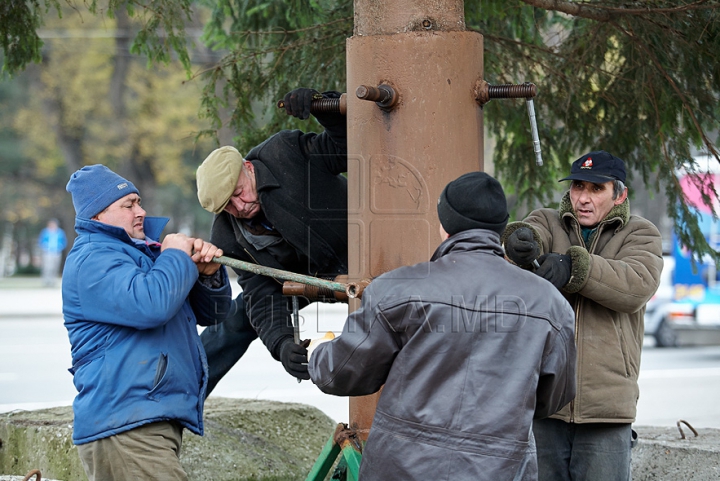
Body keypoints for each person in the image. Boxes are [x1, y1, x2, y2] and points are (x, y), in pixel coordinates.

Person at [307, 172, 578, 480]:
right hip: (500, 470)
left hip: (403, 470)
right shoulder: (550, 304)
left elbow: (342, 373)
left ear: (444, 225)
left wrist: (317, 353)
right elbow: (553, 398)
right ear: (501, 228)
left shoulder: (398, 288)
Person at [62, 164, 232, 481]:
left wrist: (207, 277)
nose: (140, 212)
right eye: (128, 205)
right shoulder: (93, 259)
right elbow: (151, 305)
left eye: (139, 202)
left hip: (144, 418)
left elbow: (213, 316)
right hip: (125, 425)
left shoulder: (140, 254)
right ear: (97, 215)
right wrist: (175, 256)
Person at [502, 151, 663, 481]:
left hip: (606, 409)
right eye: (578, 187)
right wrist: (519, 241)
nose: (583, 199)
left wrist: (573, 267)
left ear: (620, 194)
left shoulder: (640, 233)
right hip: (545, 403)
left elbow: (636, 285)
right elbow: (529, 233)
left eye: (596, 189)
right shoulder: (549, 221)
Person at [195, 87, 347, 393]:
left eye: (238, 193)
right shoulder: (227, 233)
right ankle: (178, 391)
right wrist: (281, 345)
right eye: (228, 206)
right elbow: (263, 294)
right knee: (238, 318)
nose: (239, 208)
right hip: (311, 277)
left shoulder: (285, 153)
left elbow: (343, 151)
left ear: (248, 168)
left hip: (366, 247)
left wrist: (324, 108)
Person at [38, 218, 67, 286]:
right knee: (47, 267)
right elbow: (41, 241)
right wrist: (45, 246)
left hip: (56, 252)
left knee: (55, 267)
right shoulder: (45, 232)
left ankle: (53, 281)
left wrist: (60, 247)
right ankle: (46, 281)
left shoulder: (60, 232)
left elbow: (64, 241)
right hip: (47, 252)